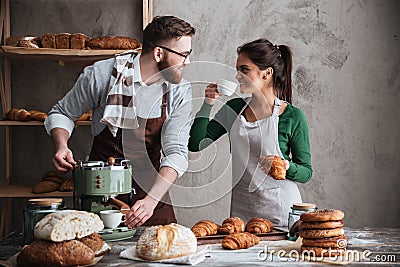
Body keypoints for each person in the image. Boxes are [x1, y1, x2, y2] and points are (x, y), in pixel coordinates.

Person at [44, 16, 196, 228]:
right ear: (159, 53)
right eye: (183, 55)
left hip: (151, 192)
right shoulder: (102, 75)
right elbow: (62, 113)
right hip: (100, 190)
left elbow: (176, 152)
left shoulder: (178, 91)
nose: (187, 62)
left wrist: (151, 201)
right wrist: (62, 146)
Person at [188, 38, 312, 226]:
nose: (237, 76)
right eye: (237, 69)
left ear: (267, 73)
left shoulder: (292, 116)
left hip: (281, 212)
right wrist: (208, 103)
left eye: (244, 70)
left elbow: (306, 172)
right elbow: (196, 144)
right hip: (242, 213)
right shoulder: (234, 108)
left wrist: (286, 166)